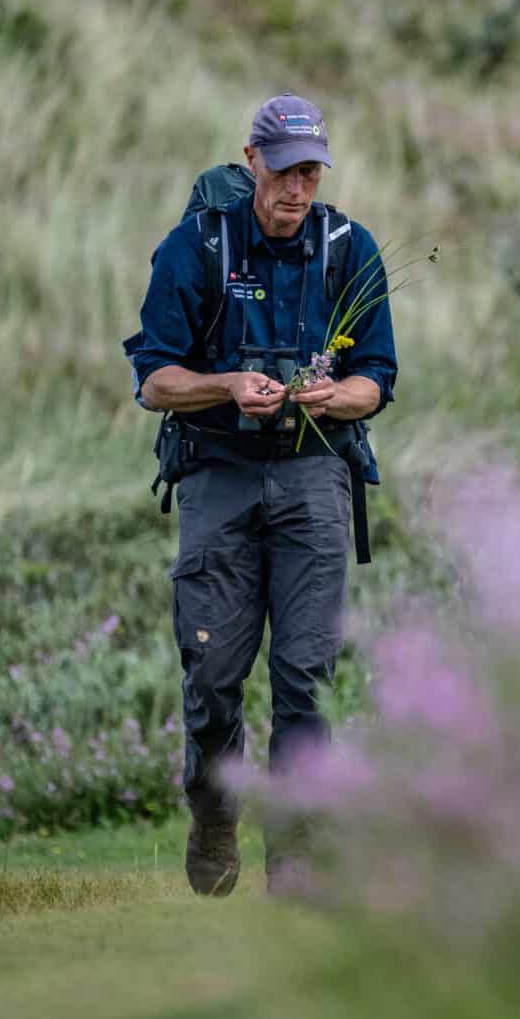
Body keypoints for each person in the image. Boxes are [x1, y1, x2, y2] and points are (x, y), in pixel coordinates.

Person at [125, 94, 397, 896]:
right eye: (283, 170)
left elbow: (377, 379)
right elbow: (154, 380)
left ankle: (300, 858)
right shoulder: (195, 248)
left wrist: (331, 398)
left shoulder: (351, 249)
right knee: (212, 674)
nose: (296, 188)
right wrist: (224, 386)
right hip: (219, 475)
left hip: (316, 477)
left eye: (310, 170)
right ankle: (214, 813)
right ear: (251, 160)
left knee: (304, 676)